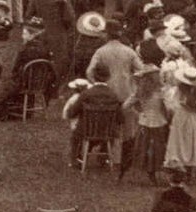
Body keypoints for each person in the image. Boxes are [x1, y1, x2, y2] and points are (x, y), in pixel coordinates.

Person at [86, 19, 143, 164]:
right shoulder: (129, 51)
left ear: (106, 35)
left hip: (108, 92)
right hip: (126, 92)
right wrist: (133, 82)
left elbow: (89, 71)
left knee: (109, 123)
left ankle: (107, 155)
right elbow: (142, 70)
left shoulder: (101, 51)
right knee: (128, 126)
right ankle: (125, 157)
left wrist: (97, 84)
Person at [0, 17, 55, 121]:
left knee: (9, 84)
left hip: (26, 82)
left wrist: (15, 76)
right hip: (40, 83)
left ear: (31, 35)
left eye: (24, 34)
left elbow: (16, 69)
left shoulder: (25, 51)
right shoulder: (45, 49)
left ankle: (6, 111)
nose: (22, 36)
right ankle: (22, 110)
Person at [66, 63, 124, 167]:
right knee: (113, 131)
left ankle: (76, 159)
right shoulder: (114, 95)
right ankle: (104, 158)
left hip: (87, 130)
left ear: (93, 76)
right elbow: (120, 118)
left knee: (76, 135)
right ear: (108, 77)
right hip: (107, 131)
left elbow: (72, 113)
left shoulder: (86, 94)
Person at [122, 64, 168, 185]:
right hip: (159, 123)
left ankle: (148, 173)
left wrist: (139, 113)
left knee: (144, 148)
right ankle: (155, 172)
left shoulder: (140, 92)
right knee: (158, 149)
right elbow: (167, 109)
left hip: (145, 122)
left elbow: (125, 106)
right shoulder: (161, 92)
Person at [27, 0, 75, 84]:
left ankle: (41, 82)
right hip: (58, 32)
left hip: (41, 32)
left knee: (41, 56)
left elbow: (29, 15)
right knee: (58, 59)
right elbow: (69, 18)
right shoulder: (63, 1)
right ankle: (55, 84)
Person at [74, 12, 107, 79]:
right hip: (96, 70)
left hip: (84, 66)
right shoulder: (102, 41)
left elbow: (77, 54)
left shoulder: (81, 39)